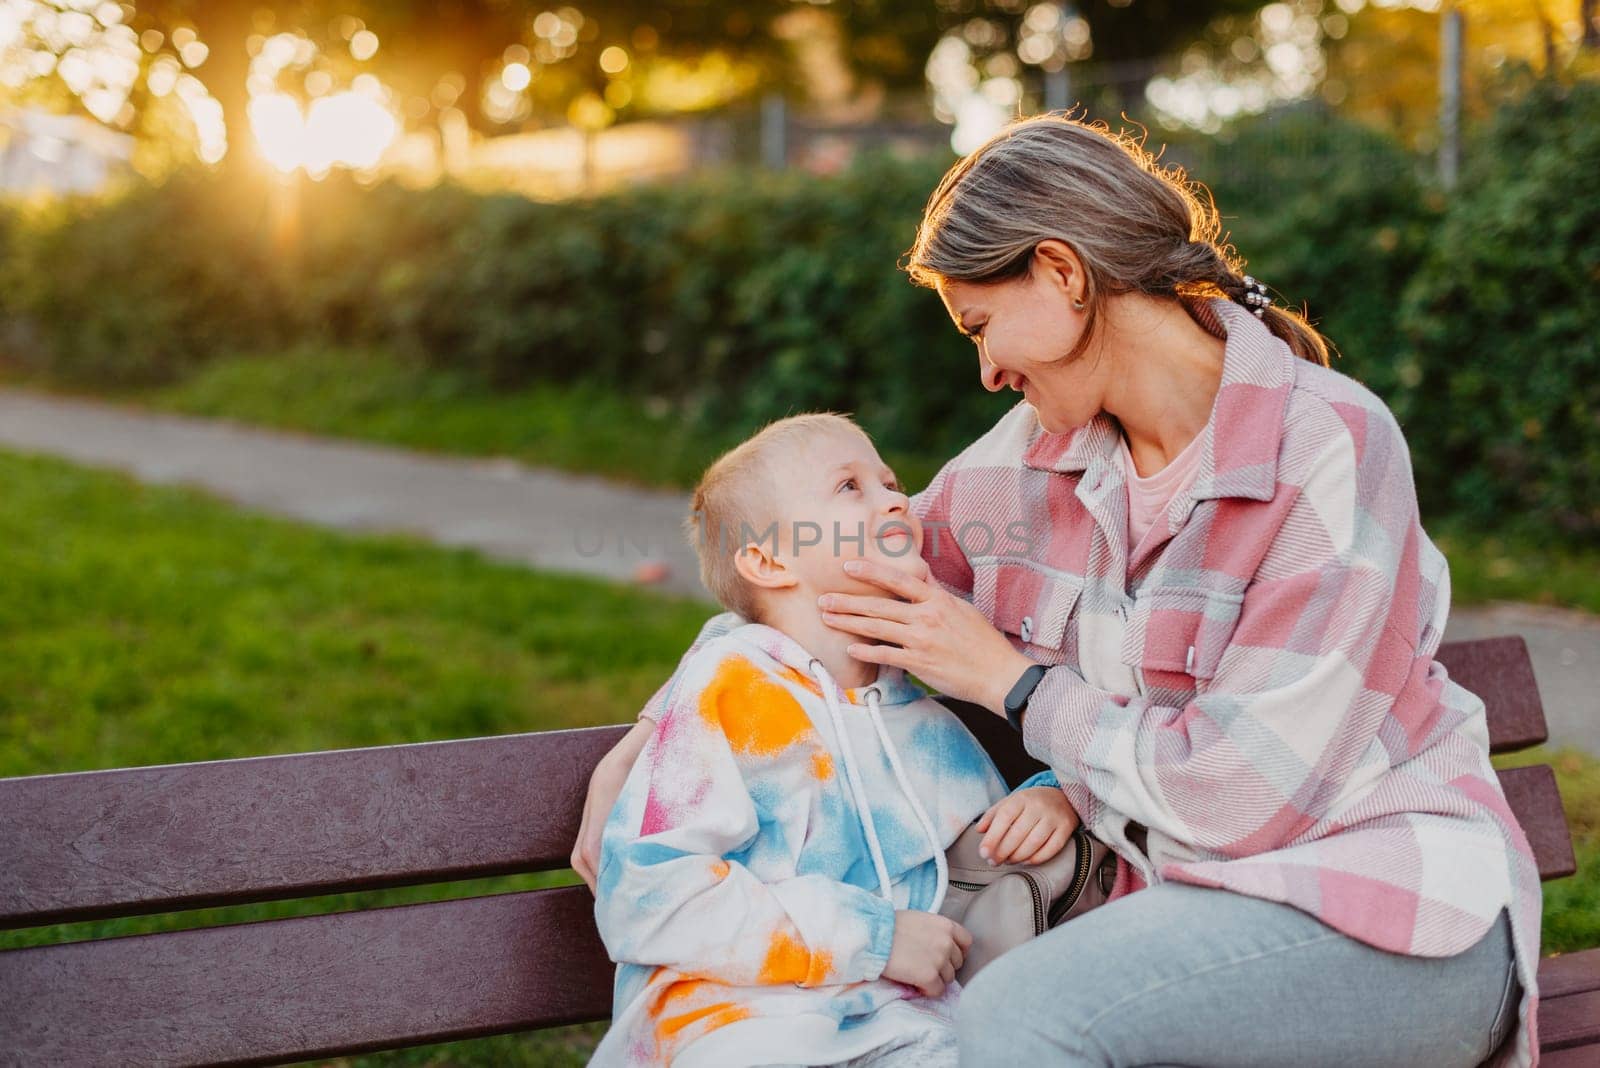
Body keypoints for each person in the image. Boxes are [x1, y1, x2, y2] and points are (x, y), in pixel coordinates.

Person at [574, 113, 1542, 1068]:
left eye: (982, 325)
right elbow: (832, 579)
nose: (987, 370)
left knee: (1015, 1021)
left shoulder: (1325, 446)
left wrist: (1017, 686)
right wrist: (645, 749)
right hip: (1176, 918)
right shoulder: (1029, 463)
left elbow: (1242, 801)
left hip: (1388, 915)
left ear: (1062, 273)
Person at [588, 413, 1079, 1067]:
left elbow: (978, 868)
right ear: (767, 560)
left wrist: (1054, 794)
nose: (897, 499)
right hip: (731, 1028)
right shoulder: (735, 691)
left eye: (890, 480)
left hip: (906, 1030)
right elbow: (647, 900)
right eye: (850, 486)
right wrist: (873, 939)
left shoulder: (931, 731)